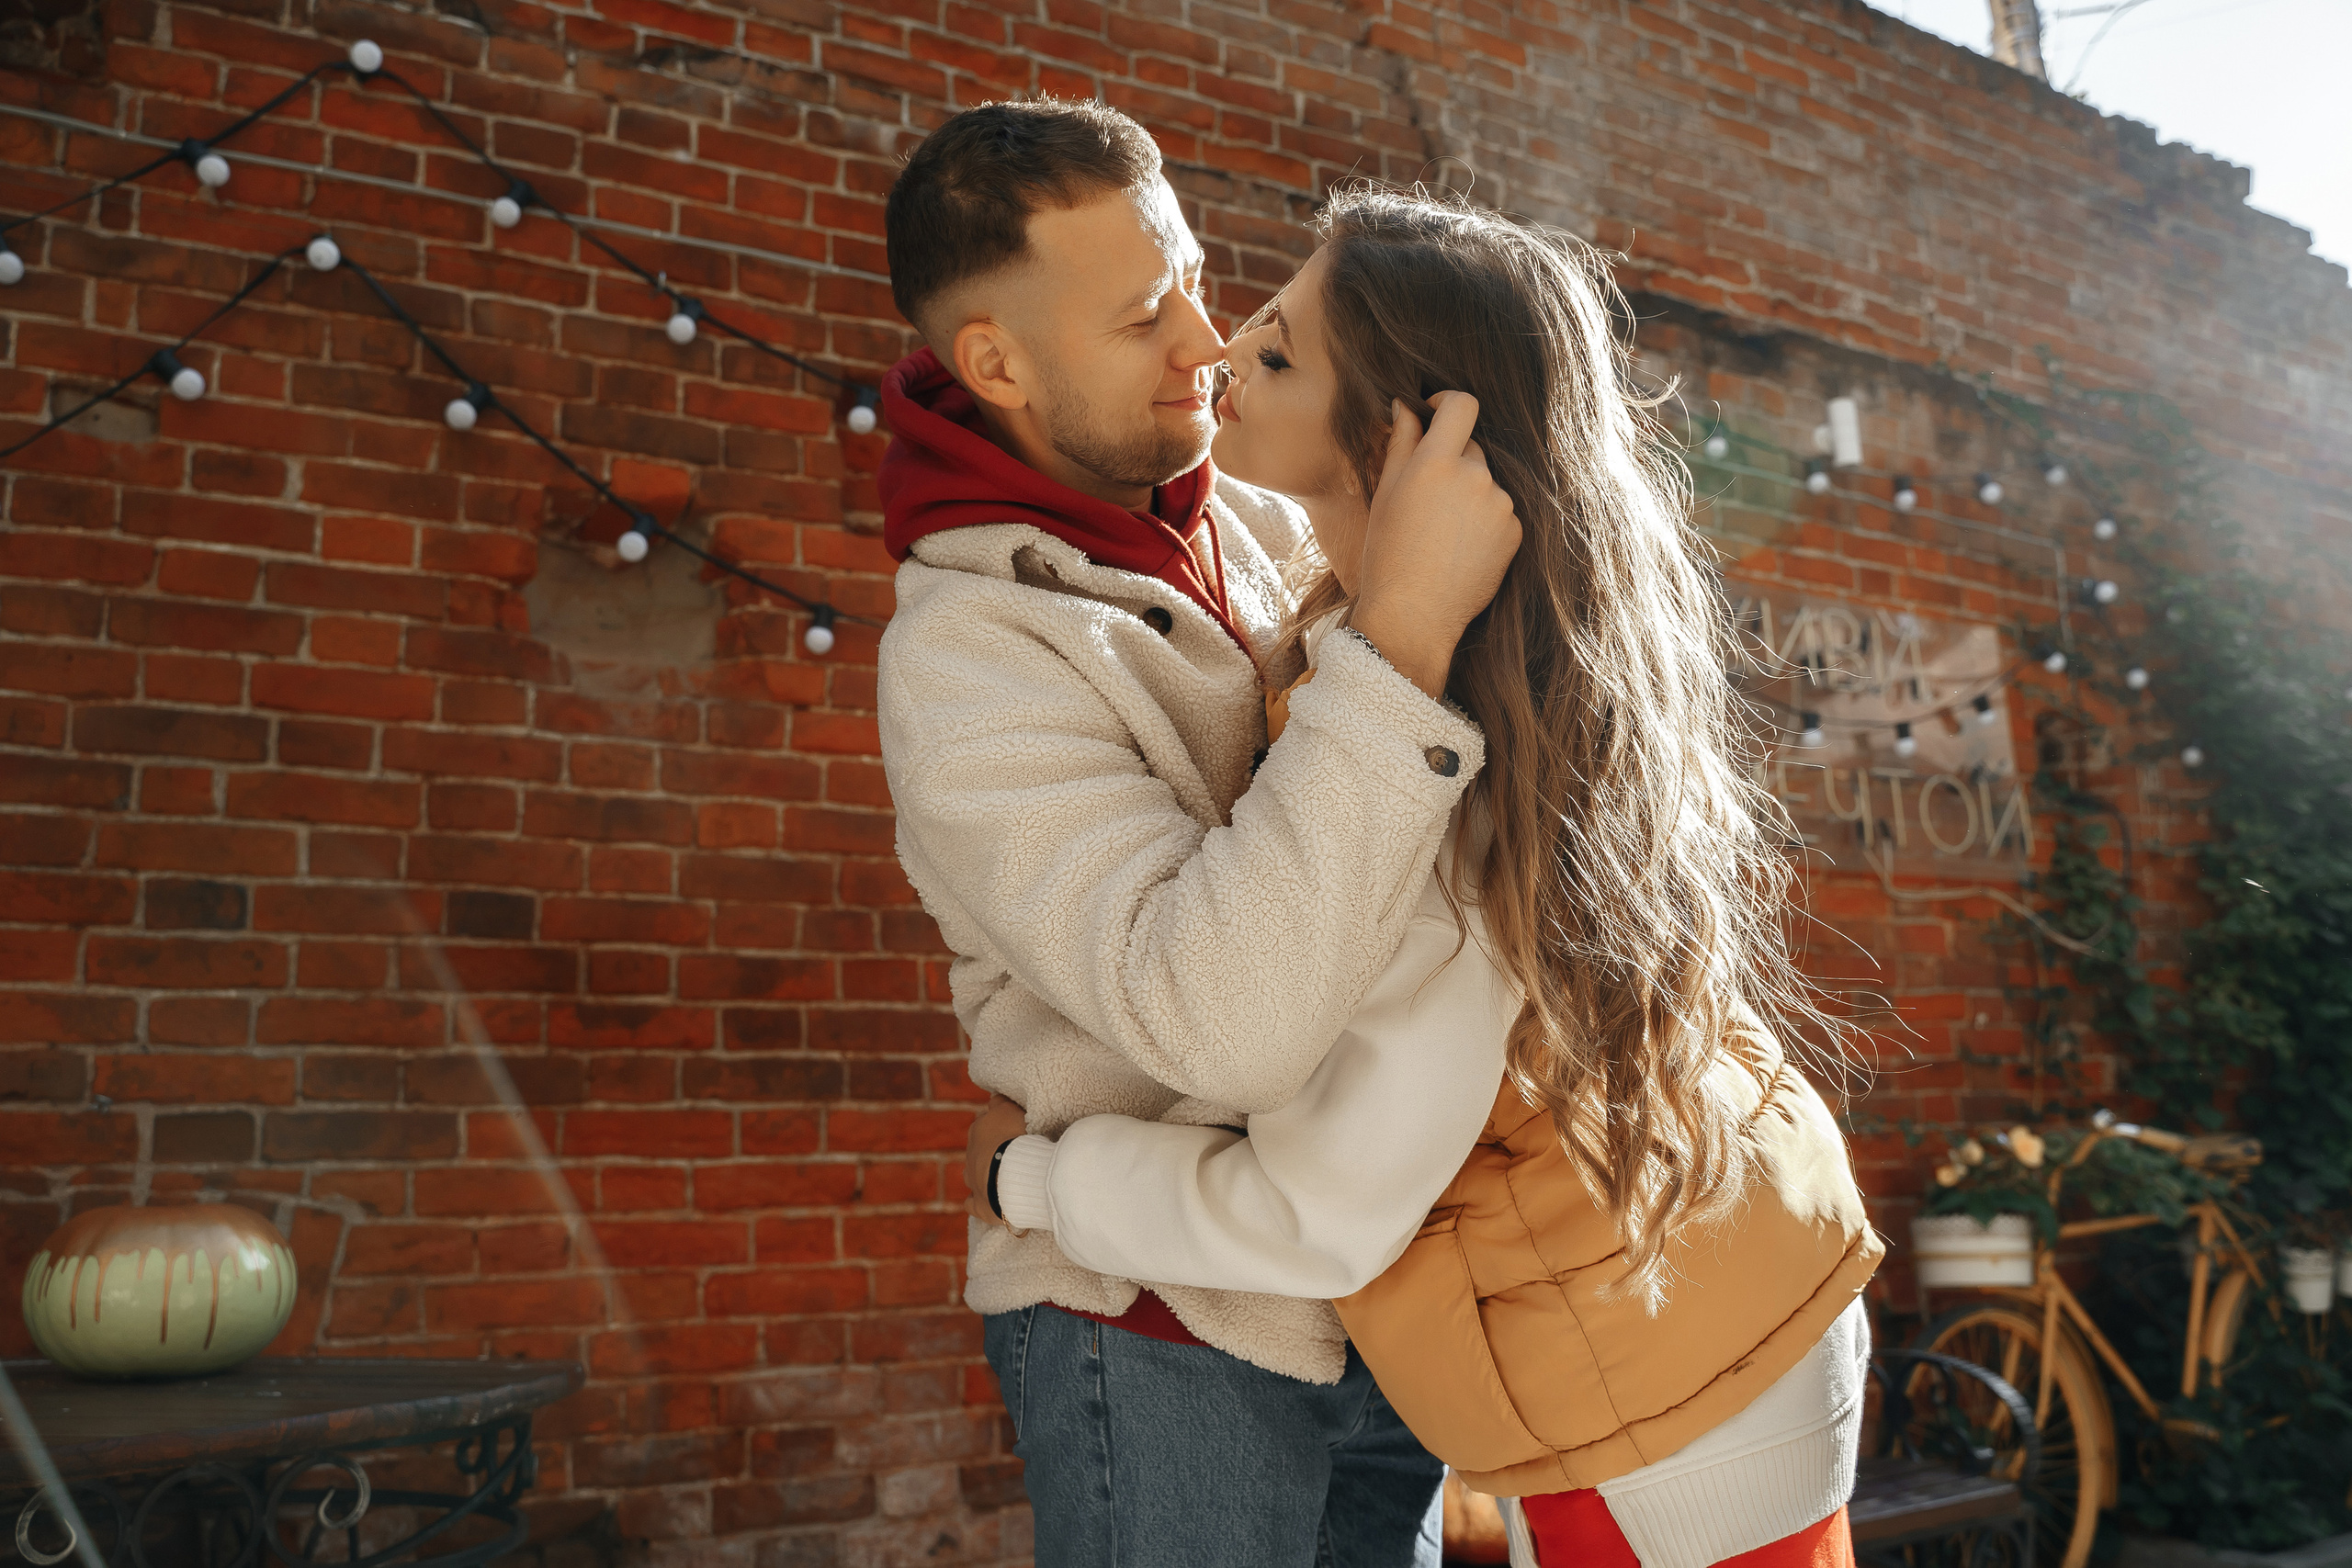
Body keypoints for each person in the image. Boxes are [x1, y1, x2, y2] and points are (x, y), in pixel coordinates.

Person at [962, 186, 1886, 1568]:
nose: (1216, 356)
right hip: (1726, 1289)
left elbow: (1326, 1212)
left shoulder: (1431, 762)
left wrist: (1041, 1183)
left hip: (1661, 1393)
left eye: (1275, 356)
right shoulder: (1513, 671)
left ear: (1411, 438)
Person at [875, 103, 1521, 1565]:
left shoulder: (1270, 519)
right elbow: (1217, 1020)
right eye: (1141, 315)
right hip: (1159, 1325)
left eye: (1194, 281)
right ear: (998, 363)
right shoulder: (970, 653)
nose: (1205, 341)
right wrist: (1404, 632)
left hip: (1388, 1293)